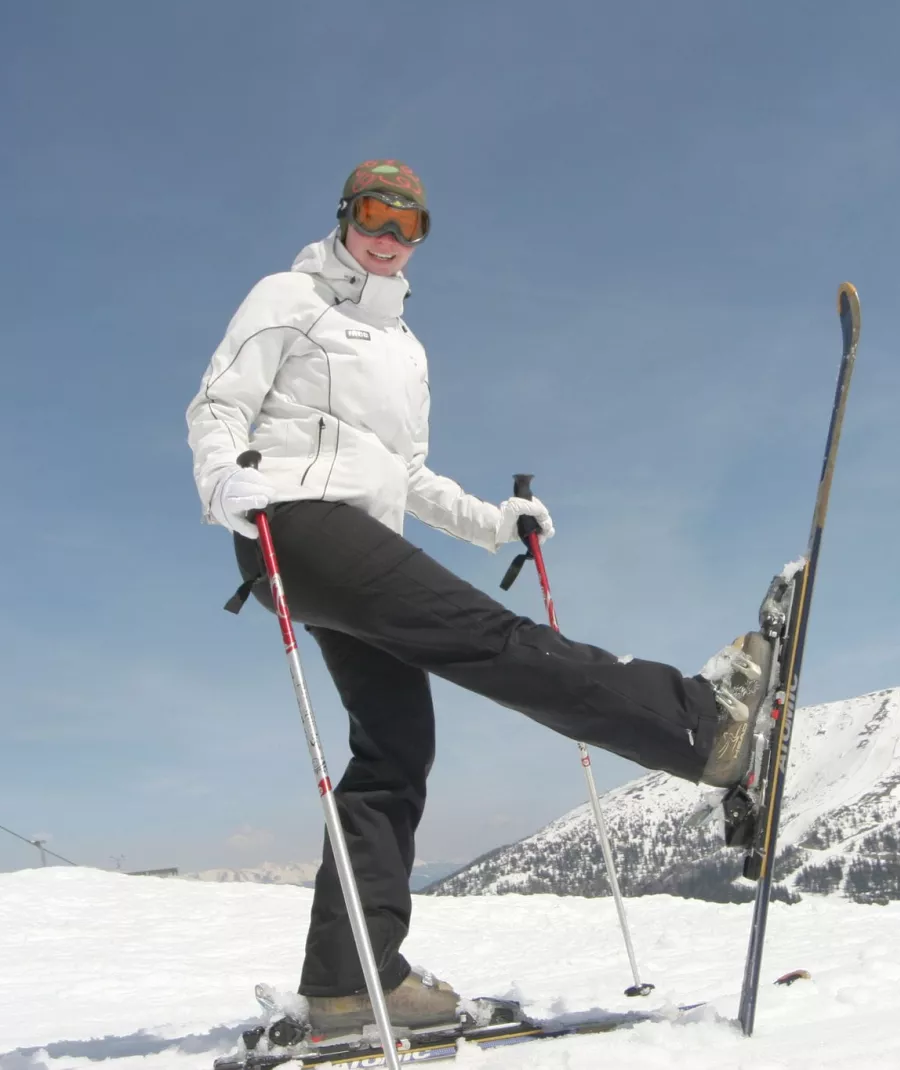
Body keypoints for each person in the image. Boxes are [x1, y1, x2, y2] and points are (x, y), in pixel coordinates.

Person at [185, 159, 770, 1035]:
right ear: (344, 218)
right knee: (491, 639)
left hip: (363, 548)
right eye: (374, 217)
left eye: (407, 226)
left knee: (395, 751)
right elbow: (217, 407)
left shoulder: (407, 351)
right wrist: (222, 481)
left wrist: (495, 523)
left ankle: (350, 983)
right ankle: (700, 725)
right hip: (293, 523)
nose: (386, 239)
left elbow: (409, 474)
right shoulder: (288, 296)